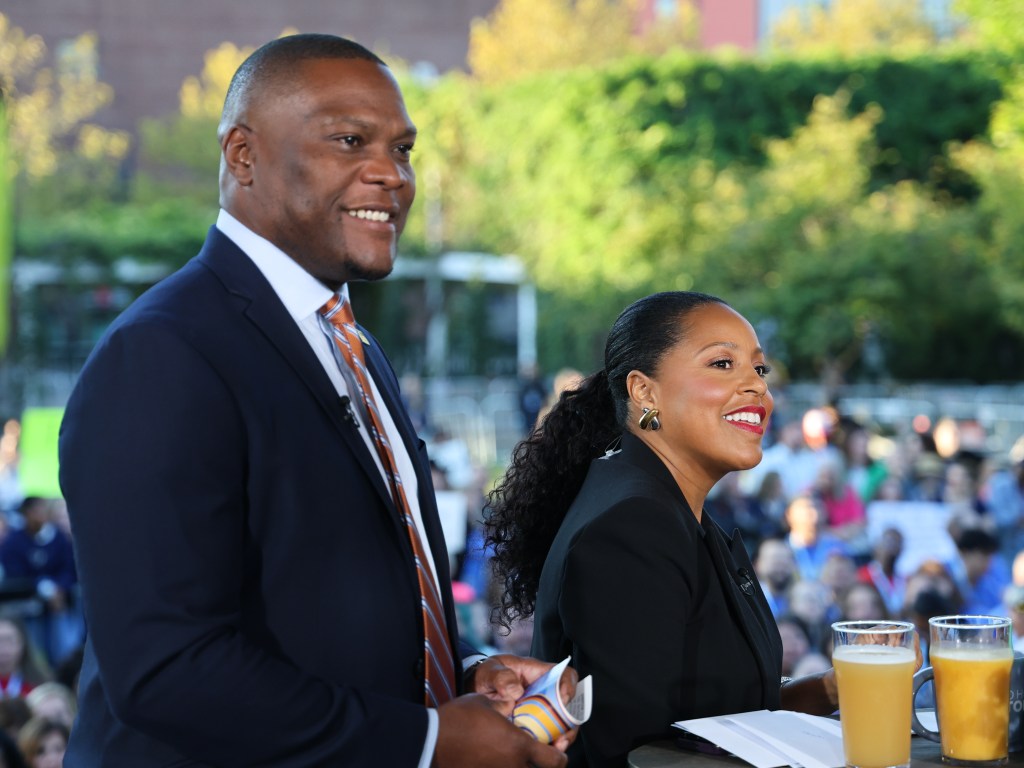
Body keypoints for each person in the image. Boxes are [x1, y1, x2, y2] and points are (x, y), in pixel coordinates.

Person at [57, 33, 574, 768]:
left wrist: (466, 671)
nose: (390, 175)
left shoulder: (353, 346)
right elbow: (166, 671)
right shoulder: (163, 354)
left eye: (403, 149)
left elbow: (332, 606)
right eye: (350, 140)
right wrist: (428, 740)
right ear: (243, 156)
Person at [485, 291, 860, 767]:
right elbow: (635, 752)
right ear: (644, 391)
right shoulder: (635, 525)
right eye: (723, 364)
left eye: (760, 370)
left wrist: (829, 687)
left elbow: (707, 719)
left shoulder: (659, 502)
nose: (756, 387)